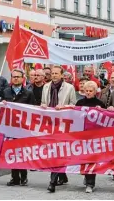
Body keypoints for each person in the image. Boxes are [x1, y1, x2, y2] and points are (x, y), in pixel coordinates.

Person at [41, 65, 77, 193]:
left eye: (57, 73)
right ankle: (62, 175)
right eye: (53, 73)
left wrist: (63, 107)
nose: (54, 75)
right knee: (52, 151)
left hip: (63, 123)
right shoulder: (46, 86)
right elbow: (42, 103)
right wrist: (43, 105)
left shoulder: (69, 88)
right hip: (49, 123)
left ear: (62, 75)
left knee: (57, 151)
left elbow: (74, 105)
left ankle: (52, 182)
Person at [2, 69, 36, 186]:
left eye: (18, 77)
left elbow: (33, 110)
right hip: (10, 127)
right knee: (12, 152)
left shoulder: (28, 93)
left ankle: (24, 176)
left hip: (23, 128)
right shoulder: (6, 92)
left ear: (23, 79)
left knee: (22, 153)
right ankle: (14, 177)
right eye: (14, 76)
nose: (16, 78)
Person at [75, 81, 106, 193]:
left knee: (91, 160)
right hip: (82, 135)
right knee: (83, 159)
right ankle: (86, 175)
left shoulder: (100, 103)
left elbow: (105, 119)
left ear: (95, 92)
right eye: (86, 91)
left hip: (94, 137)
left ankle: (90, 184)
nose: (88, 93)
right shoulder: (79, 102)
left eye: (90, 91)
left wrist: (101, 111)